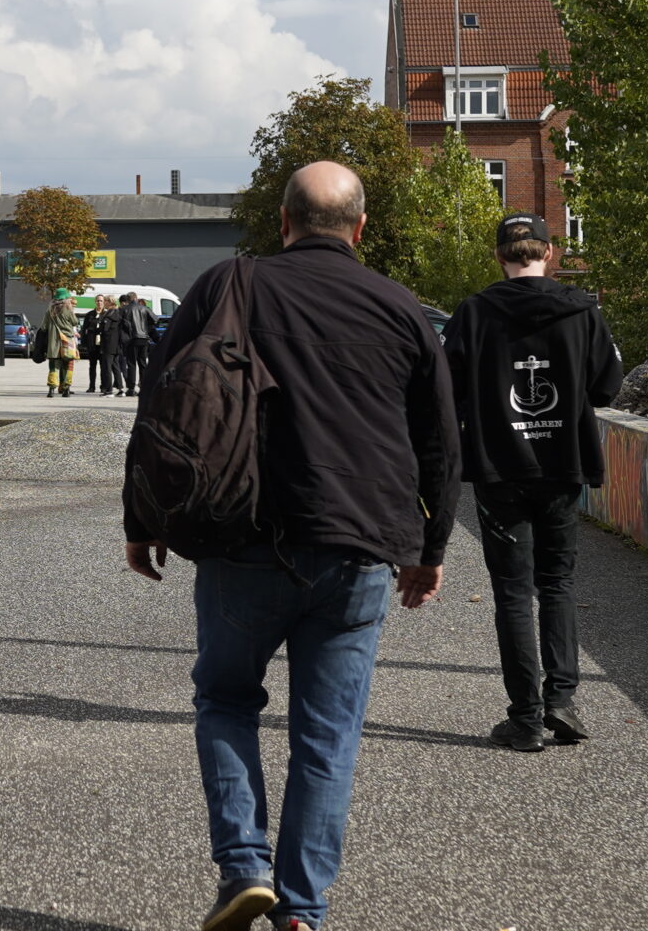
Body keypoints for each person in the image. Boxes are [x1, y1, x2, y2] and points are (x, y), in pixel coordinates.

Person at [123, 161, 460, 931]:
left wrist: (140, 520)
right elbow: (441, 441)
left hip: (243, 541)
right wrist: (429, 547)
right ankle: (302, 911)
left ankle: (245, 866)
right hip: (358, 550)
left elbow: (161, 407)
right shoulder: (403, 309)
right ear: (360, 229)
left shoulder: (227, 285)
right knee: (327, 735)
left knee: (225, 699)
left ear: (283, 222)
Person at [442, 213, 624, 754]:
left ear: (499, 256)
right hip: (562, 467)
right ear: (550, 253)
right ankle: (561, 699)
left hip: (500, 472)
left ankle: (524, 718)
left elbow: (442, 389)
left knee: (514, 594)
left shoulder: (473, 314)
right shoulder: (584, 311)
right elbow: (608, 388)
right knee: (558, 583)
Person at [41, 288, 80, 397]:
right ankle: (66, 389)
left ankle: (51, 390)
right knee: (67, 365)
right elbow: (75, 322)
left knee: (53, 366)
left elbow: (44, 326)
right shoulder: (68, 308)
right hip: (67, 341)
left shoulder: (50, 309)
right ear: (66, 298)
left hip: (53, 342)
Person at [119, 292, 158, 399]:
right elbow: (155, 319)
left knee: (131, 364)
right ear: (136, 298)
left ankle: (131, 388)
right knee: (142, 364)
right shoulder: (144, 308)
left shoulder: (125, 309)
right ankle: (144, 387)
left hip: (131, 339)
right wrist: (146, 327)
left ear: (128, 299)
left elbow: (120, 323)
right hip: (144, 338)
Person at [100, 290, 131, 397]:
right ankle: (121, 389)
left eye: (105, 301)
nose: (104, 303)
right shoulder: (118, 313)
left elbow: (105, 329)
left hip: (108, 344)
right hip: (117, 344)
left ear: (109, 302)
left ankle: (109, 390)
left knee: (107, 367)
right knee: (115, 366)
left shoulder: (109, 314)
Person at [79, 295, 110, 393]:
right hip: (92, 344)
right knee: (92, 366)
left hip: (103, 345)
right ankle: (91, 386)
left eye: (101, 301)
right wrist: (84, 343)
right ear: (95, 302)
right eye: (97, 301)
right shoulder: (90, 315)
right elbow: (84, 329)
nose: (99, 303)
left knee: (103, 366)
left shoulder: (107, 314)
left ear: (104, 302)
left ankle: (103, 386)